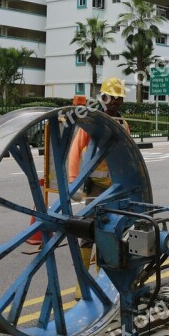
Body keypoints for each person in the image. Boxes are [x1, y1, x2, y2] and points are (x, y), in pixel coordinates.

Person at [67, 77, 130, 299]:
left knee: (110, 231)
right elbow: (76, 150)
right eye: (112, 97)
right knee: (88, 230)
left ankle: (102, 277)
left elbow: (127, 155)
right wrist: (73, 181)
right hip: (93, 186)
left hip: (115, 187)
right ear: (103, 98)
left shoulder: (122, 124)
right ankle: (81, 282)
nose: (115, 102)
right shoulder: (93, 122)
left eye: (118, 98)